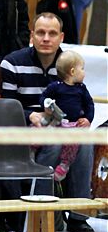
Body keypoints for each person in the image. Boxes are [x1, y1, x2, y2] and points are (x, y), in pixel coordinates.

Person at [1, 12, 95, 232]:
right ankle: (44, 213)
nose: (46, 38)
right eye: (40, 33)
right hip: (24, 130)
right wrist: (28, 115)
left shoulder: (70, 64)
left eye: (52, 33)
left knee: (86, 144)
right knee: (52, 144)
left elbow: (80, 101)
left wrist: (85, 119)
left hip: (63, 127)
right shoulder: (12, 62)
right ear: (31, 35)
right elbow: (6, 107)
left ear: (61, 37)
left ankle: (79, 215)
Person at [40, 50, 94, 181]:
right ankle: (31, 150)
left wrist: (87, 119)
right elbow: (43, 97)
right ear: (72, 72)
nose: (84, 72)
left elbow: (89, 105)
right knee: (38, 127)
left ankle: (65, 165)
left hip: (73, 125)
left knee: (73, 143)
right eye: (82, 69)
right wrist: (46, 106)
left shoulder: (81, 88)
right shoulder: (56, 87)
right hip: (56, 122)